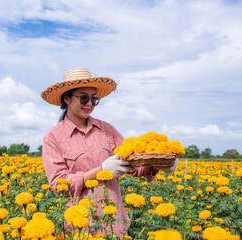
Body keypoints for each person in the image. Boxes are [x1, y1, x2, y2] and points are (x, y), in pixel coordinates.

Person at [41, 67, 178, 237]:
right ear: (67, 98)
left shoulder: (107, 130)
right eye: (83, 97)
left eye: (94, 99)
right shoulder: (53, 137)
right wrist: (101, 170)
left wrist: (159, 165)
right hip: (81, 228)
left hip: (114, 224)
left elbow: (134, 165)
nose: (89, 103)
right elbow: (59, 185)